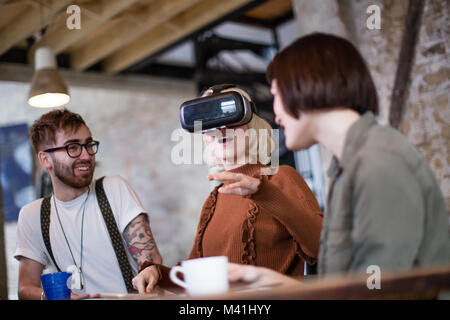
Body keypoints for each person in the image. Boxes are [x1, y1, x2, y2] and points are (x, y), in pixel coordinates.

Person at [228, 33, 450, 286]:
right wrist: (275, 283)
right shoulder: (355, 162)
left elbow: (379, 292)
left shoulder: (377, 162)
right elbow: (354, 284)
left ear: (306, 84)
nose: (275, 113)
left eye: (276, 94)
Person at [132, 85, 323, 293]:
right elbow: (196, 274)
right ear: (205, 137)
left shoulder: (281, 177)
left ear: (252, 127)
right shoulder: (214, 199)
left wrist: (264, 192)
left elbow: (321, 246)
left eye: (231, 121)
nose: (221, 129)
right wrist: (157, 274)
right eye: (209, 124)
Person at [15, 108, 162, 299]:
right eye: (73, 147)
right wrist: (52, 296)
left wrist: (150, 270)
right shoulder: (33, 216)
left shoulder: (113, 189)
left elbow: (150, 260)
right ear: (45, 159)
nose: (86, 155)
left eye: (89, 145)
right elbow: (25, 288)